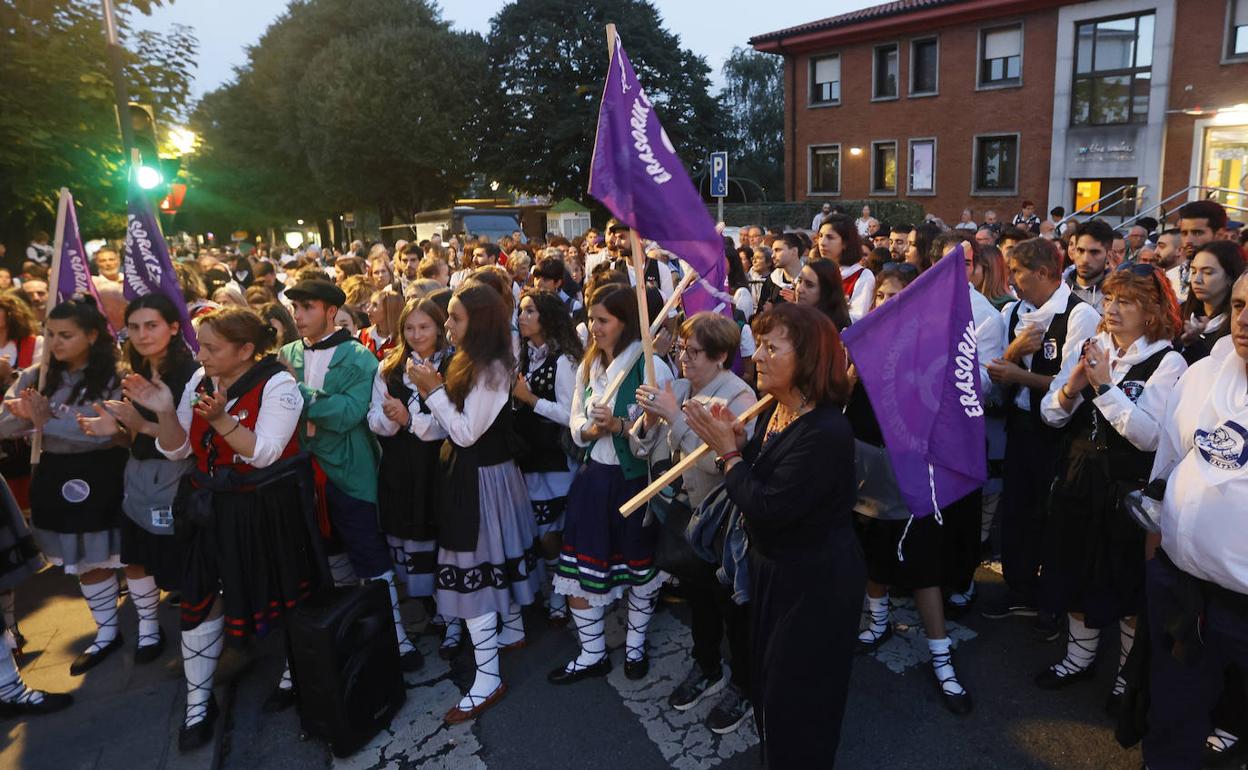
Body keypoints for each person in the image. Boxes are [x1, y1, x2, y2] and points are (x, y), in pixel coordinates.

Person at [124, 307, 325, 751]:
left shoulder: (279, 384)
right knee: (200, 592)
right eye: (201, 346)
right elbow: (177, 449)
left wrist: (221, 421)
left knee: (281, 587)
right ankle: (199, 703)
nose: (201, 355)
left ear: (246, 349)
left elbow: (265, 452)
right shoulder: (200, 380)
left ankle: (295, 673)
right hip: (210, 505)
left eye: (212, 348)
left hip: (265, 505)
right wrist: (164, 412)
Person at [683, 302, 862, 767]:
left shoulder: (826, 430)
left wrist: (728, 454)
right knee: (771, 688)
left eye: (771, 347)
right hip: (775, 574)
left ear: (807, 359)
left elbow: (767, 507)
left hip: (813, 586)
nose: (757, 356)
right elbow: (767, 472)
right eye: (759, 345)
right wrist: (743, 446)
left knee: (798, 700)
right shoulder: (777, 409)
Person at [1038, 264, 1186, 709]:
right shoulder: (1095, 345)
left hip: (1126, 487)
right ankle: (1078, 658)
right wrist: (1071, 389)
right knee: (1074, 569)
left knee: (1125, 585)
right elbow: (1050, 415)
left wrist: (1103, 386)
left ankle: (1126, 676)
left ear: (1153, 310)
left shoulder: (1167, 361)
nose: (1112, 308)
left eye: (1126, 301)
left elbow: (1150, 436)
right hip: (1079, 476)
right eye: (1109, 298)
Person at [846, 256, 979, 716]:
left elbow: (952, 407)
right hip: (868, 472)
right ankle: (878, 621)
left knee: (924, 569)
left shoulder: (928, 353)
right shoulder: (861, 348)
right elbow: (844, 405)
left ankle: (941, 656)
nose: (885, 304)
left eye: (896, 298)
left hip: (914, 480)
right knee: (872, 555)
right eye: (881, 296)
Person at [408, 283, 542, 723]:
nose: (447, 324)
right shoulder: (466, 359)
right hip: (478, 474)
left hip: (483, 479)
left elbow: (467, 432)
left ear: (480, 322)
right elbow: (453, 425)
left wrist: (432, 392)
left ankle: (489, 677)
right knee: (495, 559)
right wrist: (416, 418)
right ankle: (513, 631)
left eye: (455, 317)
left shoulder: (492, 368)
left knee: (474, 574)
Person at [280, 279, 421, 682]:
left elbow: (347, 414)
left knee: (369, 555)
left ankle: (397, 638)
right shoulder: (288, 353)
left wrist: (296, 391)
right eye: (295, 308)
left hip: (350, 472)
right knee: (327, 557)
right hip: (302, 474)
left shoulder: (359, 357)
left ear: (330, 311)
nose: (298, 316)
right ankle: (350, 630)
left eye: (307, 307)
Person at [1140, 272, 1248, 768]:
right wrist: (1157, 559)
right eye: (1240, 305)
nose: (1244, 320)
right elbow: (1165, 465)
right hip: (1182, 588)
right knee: (1172, 711)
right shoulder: (1203, 374)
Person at [631, 312, 757, 733]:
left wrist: (675, 417)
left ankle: (744, 683)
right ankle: (706, 666)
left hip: (723, 516)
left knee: (732, 606)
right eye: (682, 348)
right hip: (687, 511)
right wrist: (649, 421)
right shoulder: (681, 388)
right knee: (698, 597)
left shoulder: (740, 396)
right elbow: (642, 449)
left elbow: (720, 461)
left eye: (695, 351)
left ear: (721, 356)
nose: (684, 357)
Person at [550, 284, 674, 685]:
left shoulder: (651, 367)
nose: (594, 327)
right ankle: (592, 653)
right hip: (594, 479)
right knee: (580, 567)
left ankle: (635, 646)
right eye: (591, 318)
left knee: (640, 568)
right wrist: (589, 430)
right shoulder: (589, 365)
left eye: (603, 320)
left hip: (634, 483)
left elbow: (664, 436)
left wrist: (621, 426)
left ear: (625, 322)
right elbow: (575, 419)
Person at [0, 300, 129, 676]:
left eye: (66, 335)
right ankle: (107, 631)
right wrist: (29, 417)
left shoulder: (114, 374)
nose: (55, 342)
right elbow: (5, 423)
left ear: (92, 335)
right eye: (50, 333)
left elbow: (99, 431)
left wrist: (45, 419)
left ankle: (150, 629)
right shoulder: (37, 375)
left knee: (128, 554)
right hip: (57, 473)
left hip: (106, 470)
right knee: (85, 559)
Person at [984, 238, 1100, 630]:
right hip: (1019, 426)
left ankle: (1052, 601)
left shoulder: (1079, 315)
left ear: (1044, 272)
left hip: (1058, 434)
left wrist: (1019, 374)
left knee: (1052, 516)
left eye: (1017, 272)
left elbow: (1072, 383)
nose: (1011, 281)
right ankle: (1019, 589)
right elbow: (999, 370)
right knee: (1017, 510)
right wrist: (1014, 353)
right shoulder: (1014, 311)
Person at [77, 295, 199, 665]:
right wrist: (112, 432)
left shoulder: (192, 374)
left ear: (173, 328)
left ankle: (202, 644)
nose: (142, 334)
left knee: (187, 563)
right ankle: (149, 628)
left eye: (152, 325)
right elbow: (133, 437)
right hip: (138, 479)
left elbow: (185, 443)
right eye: (134, 327)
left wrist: (142, 423)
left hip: (178, 481)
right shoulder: (136, 372)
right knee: (137, 556)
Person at [368, 297, 456, 649]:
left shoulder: (452, 364)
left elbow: (452, 424)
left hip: (441, 466)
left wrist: (409, 420)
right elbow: (373, 417)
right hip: (402, 468)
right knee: (413, 534)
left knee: (445, 538)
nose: (417, 335)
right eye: (409, 328)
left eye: (424, 327)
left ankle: (454, 619)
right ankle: (436, 609)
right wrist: (391, 420)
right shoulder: (389, 368)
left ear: (438, 327)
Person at [513, 290, 584, 626]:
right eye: (521, 311)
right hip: (529, 456)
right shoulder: (525, 356)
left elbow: (571, 414)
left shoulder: (564, 361)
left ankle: (559, 590)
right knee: (538, 528)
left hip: (555, 458)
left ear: (548, 316)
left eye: (530, 311)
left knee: (551, 530)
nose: (522, 317)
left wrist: (530, 400)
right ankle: (552, 584)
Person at [1178, 240, 1245, 364]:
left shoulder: (1239, 323)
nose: (1197, 280)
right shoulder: (1179, 314)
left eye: (1208, 272)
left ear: (1230, 277)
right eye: (1193, 271)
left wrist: (1195, 345)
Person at [816, 216, 873, 322]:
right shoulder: (814, 272)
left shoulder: (863, 276)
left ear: (845, 243)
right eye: (820, 236)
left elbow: (857, 319)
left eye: (830, 237)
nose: (822, 243)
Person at [1170, 200, 1228, 303]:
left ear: (1220, 235)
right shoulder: (1171, 277)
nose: (1188, 240)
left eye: (1197, 233)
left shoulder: (1240, 279)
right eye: (1184, 233)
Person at [1068, 219, 1115, 313]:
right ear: (1073, 252)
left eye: (1094, 252)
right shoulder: (1057, 288)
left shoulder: (1118, 295)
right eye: (1080, 250)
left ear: (1108, 256)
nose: (1085, 259)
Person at [793, 259, 852, 329]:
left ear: (826, 290)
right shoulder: (792, 317)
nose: (799, 289)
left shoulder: (834, 327)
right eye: (799, 281)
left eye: (809, 285)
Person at [756, 234, 803, 313]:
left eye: (778, 250)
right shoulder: (772, 280)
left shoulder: (809, 279)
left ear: (794, 251)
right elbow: (759, 314)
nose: (772, 256)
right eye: (773, 251)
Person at [358, 289, 403, 361]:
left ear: (390, 310)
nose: (368, 310)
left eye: (375, 305)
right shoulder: (361, 335)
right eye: (369, 304)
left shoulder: (403, 341)